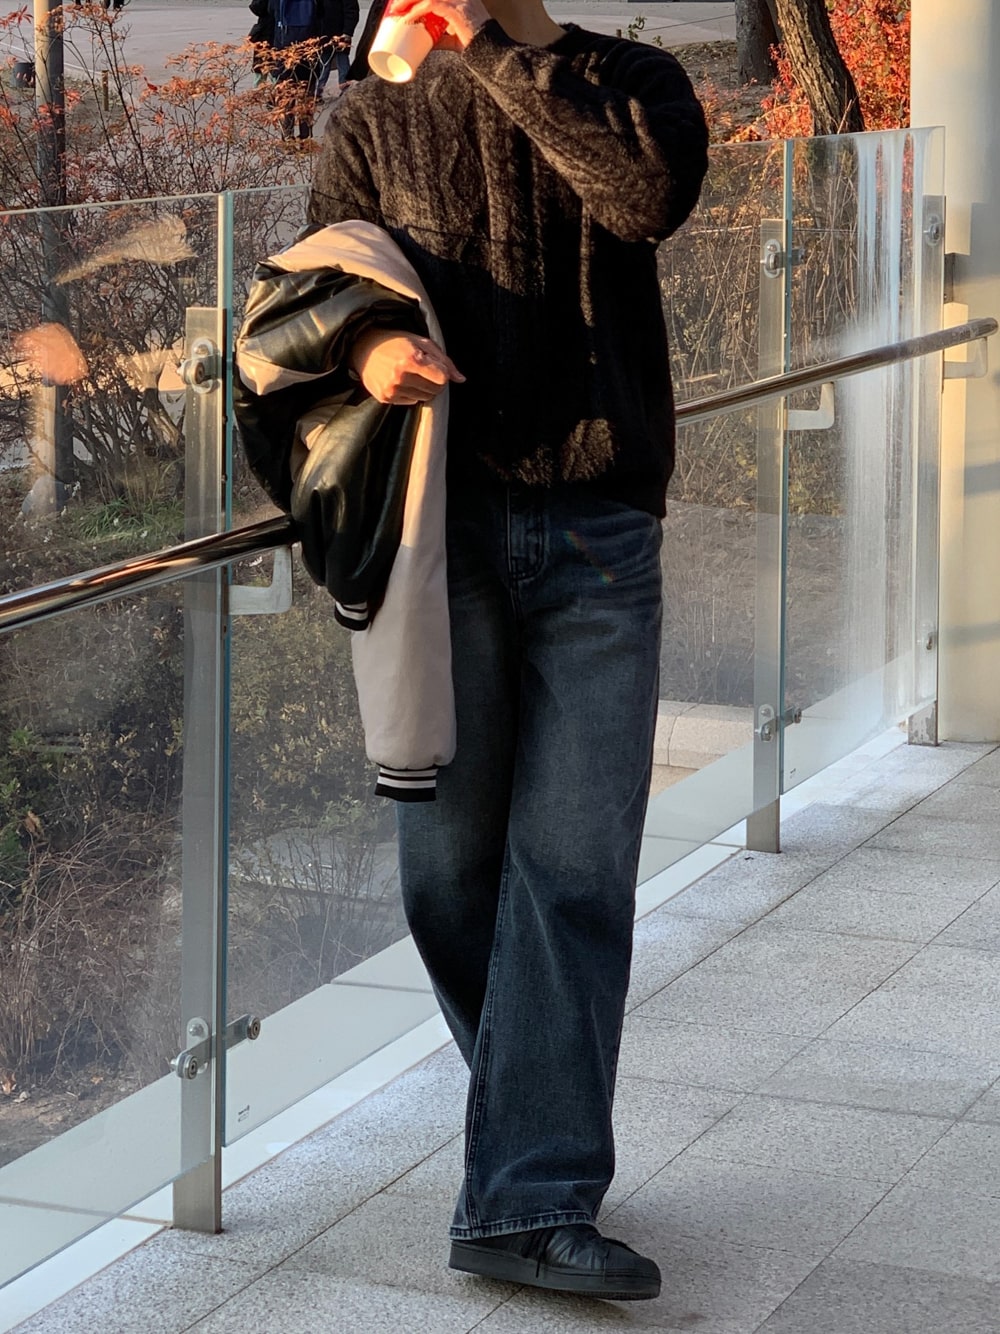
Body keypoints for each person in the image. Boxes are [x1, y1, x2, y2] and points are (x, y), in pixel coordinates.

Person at [308, 0, 708, 1301]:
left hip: (601, 531)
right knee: (445, 873)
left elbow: (642, 198)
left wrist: (490, 50)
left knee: (577, 863)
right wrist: (372, 344)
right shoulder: (375, 113)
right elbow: (322, 280)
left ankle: (529, 1196)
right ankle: (530, 1137)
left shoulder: (630, 78)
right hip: (444, 534)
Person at [268, 0, 360, 136]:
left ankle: (287, 137)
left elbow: (265, 10)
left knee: (287, 96)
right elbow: (321, 14)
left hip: (284, 51)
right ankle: (305, 137)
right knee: (307, 95)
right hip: (309, 51)